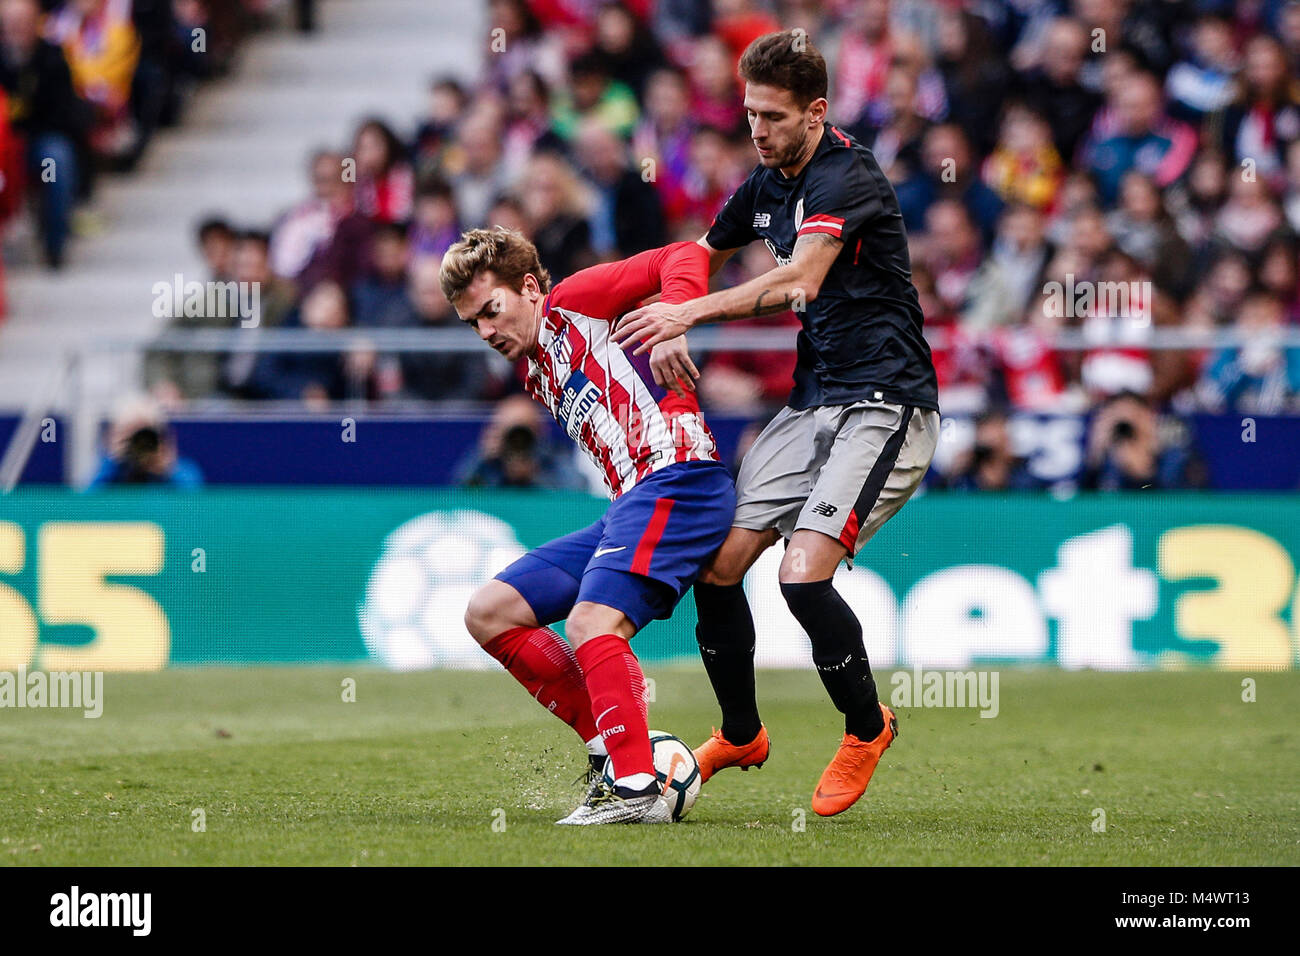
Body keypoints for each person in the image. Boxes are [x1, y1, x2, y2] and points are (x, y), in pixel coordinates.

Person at [611, 31, 941, 818]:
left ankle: (867, 727)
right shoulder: (763, 183)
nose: (756, 130)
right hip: (813, 400)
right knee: (719, 565)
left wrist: (685, 310)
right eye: (750, 112)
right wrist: (682, 311)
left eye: (774, 116)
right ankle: (741, 733)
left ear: (817, 112)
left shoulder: (846, 175)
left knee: (801, 574)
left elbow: (799, 279)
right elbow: (700, 250)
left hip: (886, 402)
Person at [441, 227, 735, 825]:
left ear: (528, 288)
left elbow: (682, 254)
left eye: (491, 312)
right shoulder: (534, 372)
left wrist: (674, 319)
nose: (487, 333)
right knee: (489, 611)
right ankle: (611, 750)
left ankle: (636, 789)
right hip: (631, 501)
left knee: (590, 621)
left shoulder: (577, 298)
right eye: (473, 324)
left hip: (680, 480)